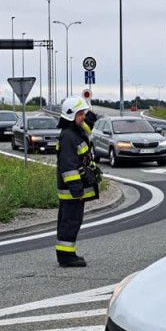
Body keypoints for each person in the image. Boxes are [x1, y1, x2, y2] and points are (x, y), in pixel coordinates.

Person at [55, 96, 100, 267]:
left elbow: (84, 129)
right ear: (71, 116)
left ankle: (68, 253)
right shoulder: (68, 137)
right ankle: (66, 257)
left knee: (72, 221)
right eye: (80, 114)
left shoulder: (74, 132)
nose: (83, 117)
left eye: (83, 114)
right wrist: (77, 190)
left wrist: (90, 117)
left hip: (73, 191)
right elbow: (69, 167)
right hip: (71, 192)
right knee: (70, 222)